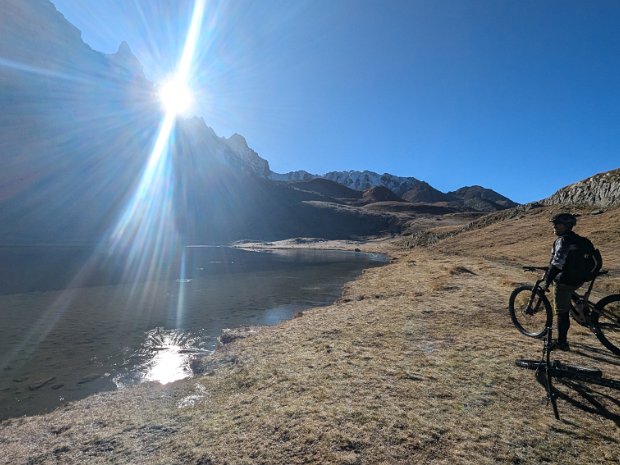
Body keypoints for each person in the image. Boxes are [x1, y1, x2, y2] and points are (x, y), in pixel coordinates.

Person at [539, 212, 582, 351]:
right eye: (554, 224)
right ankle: (582, 310)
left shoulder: (563, 241)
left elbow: (557, 264)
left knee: (561, 311)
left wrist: (547, 281)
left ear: (567, 226)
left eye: (558, 224)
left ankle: (562, 343)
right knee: (569, 294)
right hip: (579, 278)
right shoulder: (577, 239)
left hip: (565, 280)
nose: (554, 227)